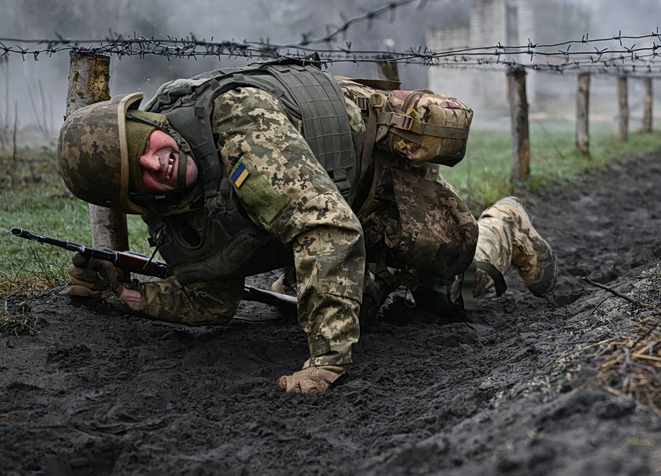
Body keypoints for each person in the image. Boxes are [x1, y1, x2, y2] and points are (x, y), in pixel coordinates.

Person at [56, 59, 557, 394]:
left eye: (144, 147)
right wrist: (131, 296)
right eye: (136, 176)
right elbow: (213, 298)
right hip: (333, 207)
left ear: (149, 125)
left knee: (449, 296)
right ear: (132, 198)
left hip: (380, 185)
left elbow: (327, 230)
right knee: (351, 302)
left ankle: (503, 225)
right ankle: (379, 279)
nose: (155, 166)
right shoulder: (171, 208)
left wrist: (327, 360)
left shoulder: (238, 124)